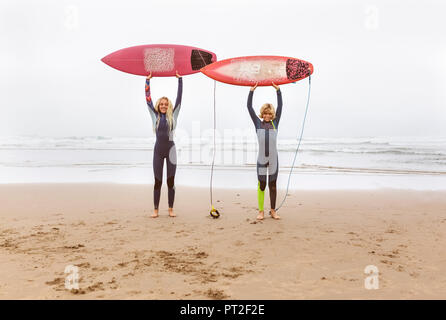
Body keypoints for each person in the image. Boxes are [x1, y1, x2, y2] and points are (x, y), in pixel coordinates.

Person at [145, 71, 182, 218]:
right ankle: (155, 210)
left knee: (171, 181)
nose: (164, 106)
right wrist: (147, 82)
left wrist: (180, 80)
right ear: (158, 105)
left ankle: (170, 209)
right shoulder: (155, 116)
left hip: (171, 150)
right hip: (158, 152)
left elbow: (180, 99)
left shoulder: (174, 115)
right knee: (158, 181)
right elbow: (148, 100)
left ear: (169, 106)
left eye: (166, 104)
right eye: (162, 104)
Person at [247, 82, 282, 220]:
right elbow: (249, 107)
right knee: (262, 185)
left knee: (272, 185)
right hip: (262, 159)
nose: (267, 115)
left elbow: (280, 107)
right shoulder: (258, 123)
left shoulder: (275, 122)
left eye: (269, 113)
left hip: (273, 159)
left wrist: (278, 91)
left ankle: (273, 211)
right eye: (265, 113)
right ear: (263, 113)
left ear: (272, 114)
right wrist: (251, 91)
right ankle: (261, 211)